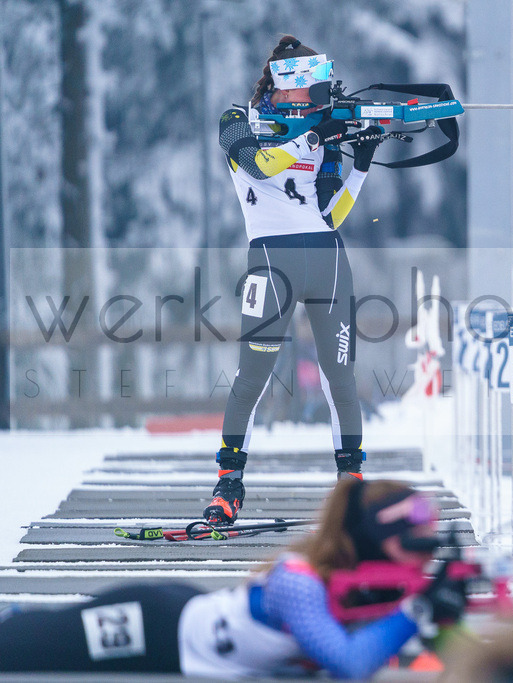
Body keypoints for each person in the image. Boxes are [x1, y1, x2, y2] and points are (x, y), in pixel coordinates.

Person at [0, 479, 467, 679]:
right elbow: (347, 662)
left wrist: (445, 615)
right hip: (158, 628)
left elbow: (453, 655)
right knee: (24, 645)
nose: (424, 559)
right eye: (415, 544)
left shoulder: (372, 586)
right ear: (378, 538)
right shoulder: (298, 582)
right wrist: (421, 608)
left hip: (182, 622)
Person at [206, 35, 386, 525]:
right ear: (282, 87)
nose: (313, 98)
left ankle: (351, 484)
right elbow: (259, 165)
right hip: (271, 260)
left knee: (340, 378)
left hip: (327, 258)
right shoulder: (235, 123)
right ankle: (229, 484)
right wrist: (312, 136)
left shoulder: (320, 134)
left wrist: (361, 166)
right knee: (252, 377)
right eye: (306, 89)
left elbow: (331, 216)